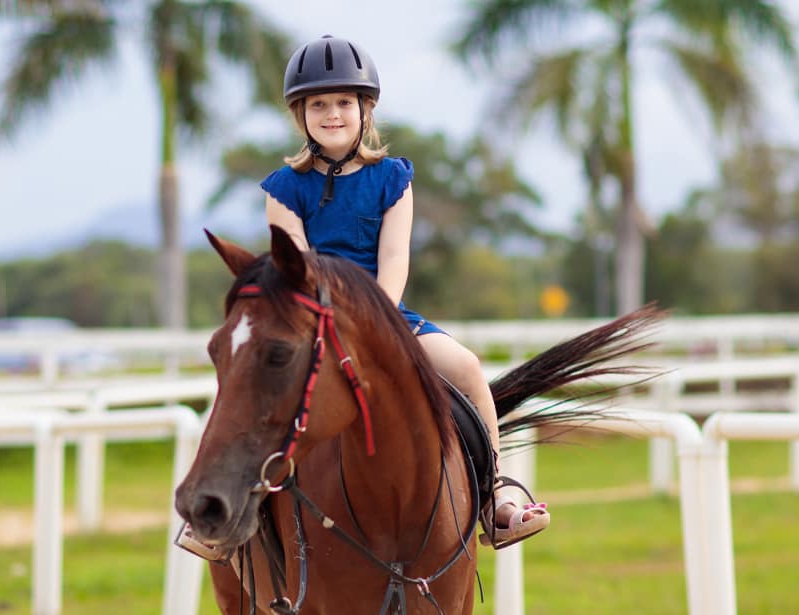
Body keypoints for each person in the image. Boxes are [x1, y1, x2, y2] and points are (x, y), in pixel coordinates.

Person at [177, 35, 547, 561]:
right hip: (311, 323)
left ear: (365, 110)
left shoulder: (393, 177)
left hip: (388, 317)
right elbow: (296, 268)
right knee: (251, 383)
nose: (332, 114)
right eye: (319, 104)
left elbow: (394, 259)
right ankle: (231, 509)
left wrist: (377, 322)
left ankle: (496, 494)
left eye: (343, 103)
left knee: (465, 368)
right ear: (300, 115)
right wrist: (327, 325)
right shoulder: (284, 187)